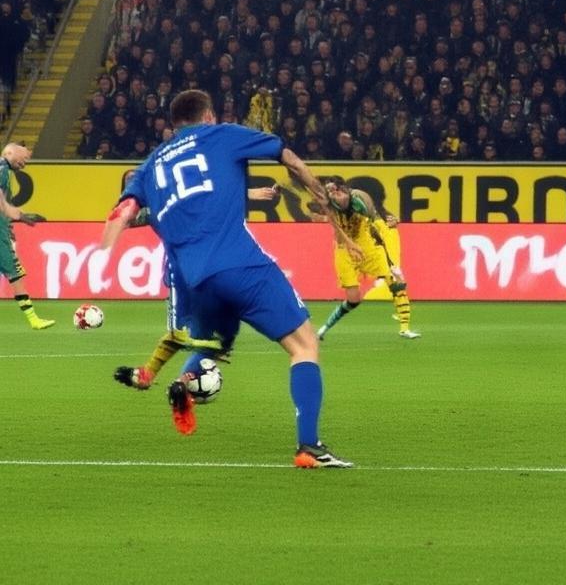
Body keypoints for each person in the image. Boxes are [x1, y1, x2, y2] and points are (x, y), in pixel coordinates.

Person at [102, 89, 352, 468]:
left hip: (194, 281)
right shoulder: (222, 134)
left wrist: (106, 246)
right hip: (239, 264)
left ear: (174, 123)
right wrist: (321, 195)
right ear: (208, 116)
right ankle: (309, 447)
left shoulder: (151, 164)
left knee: (215, 343)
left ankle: (181, 383)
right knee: (304, 346)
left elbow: (123, 212)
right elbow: (288, 158)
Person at [112, 182, 280, 391]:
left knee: (201, 335)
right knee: (184, 334)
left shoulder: (186, 196)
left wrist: (249, 193)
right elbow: (127, 218)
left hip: (211, 270)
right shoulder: (160, 206)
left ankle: (178, 378)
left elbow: (218, 192)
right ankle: (168, 376)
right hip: (185, 272)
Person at [313, 175, 420, 340]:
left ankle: (405, 328)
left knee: (395, 281)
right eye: (330, 191)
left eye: (336, 189)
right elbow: (334, 227)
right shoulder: (329, 205)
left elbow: (377, 219)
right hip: (344, 252)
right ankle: (324, 328)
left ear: (344, 189)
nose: (333, 194)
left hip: (367, 248)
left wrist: (390, 222)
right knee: (353, 299)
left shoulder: (360, 199)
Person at [0, 143, 52, 329]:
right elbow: (2, 204)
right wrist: (21, 216)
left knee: (15, 273)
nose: (25, 163)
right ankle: (33, 319)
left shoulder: (5, 171)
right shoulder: (2, 170)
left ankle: (33, 319)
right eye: (24, 158)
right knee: (14, 273)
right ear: (11, 152)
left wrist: (9, 223)